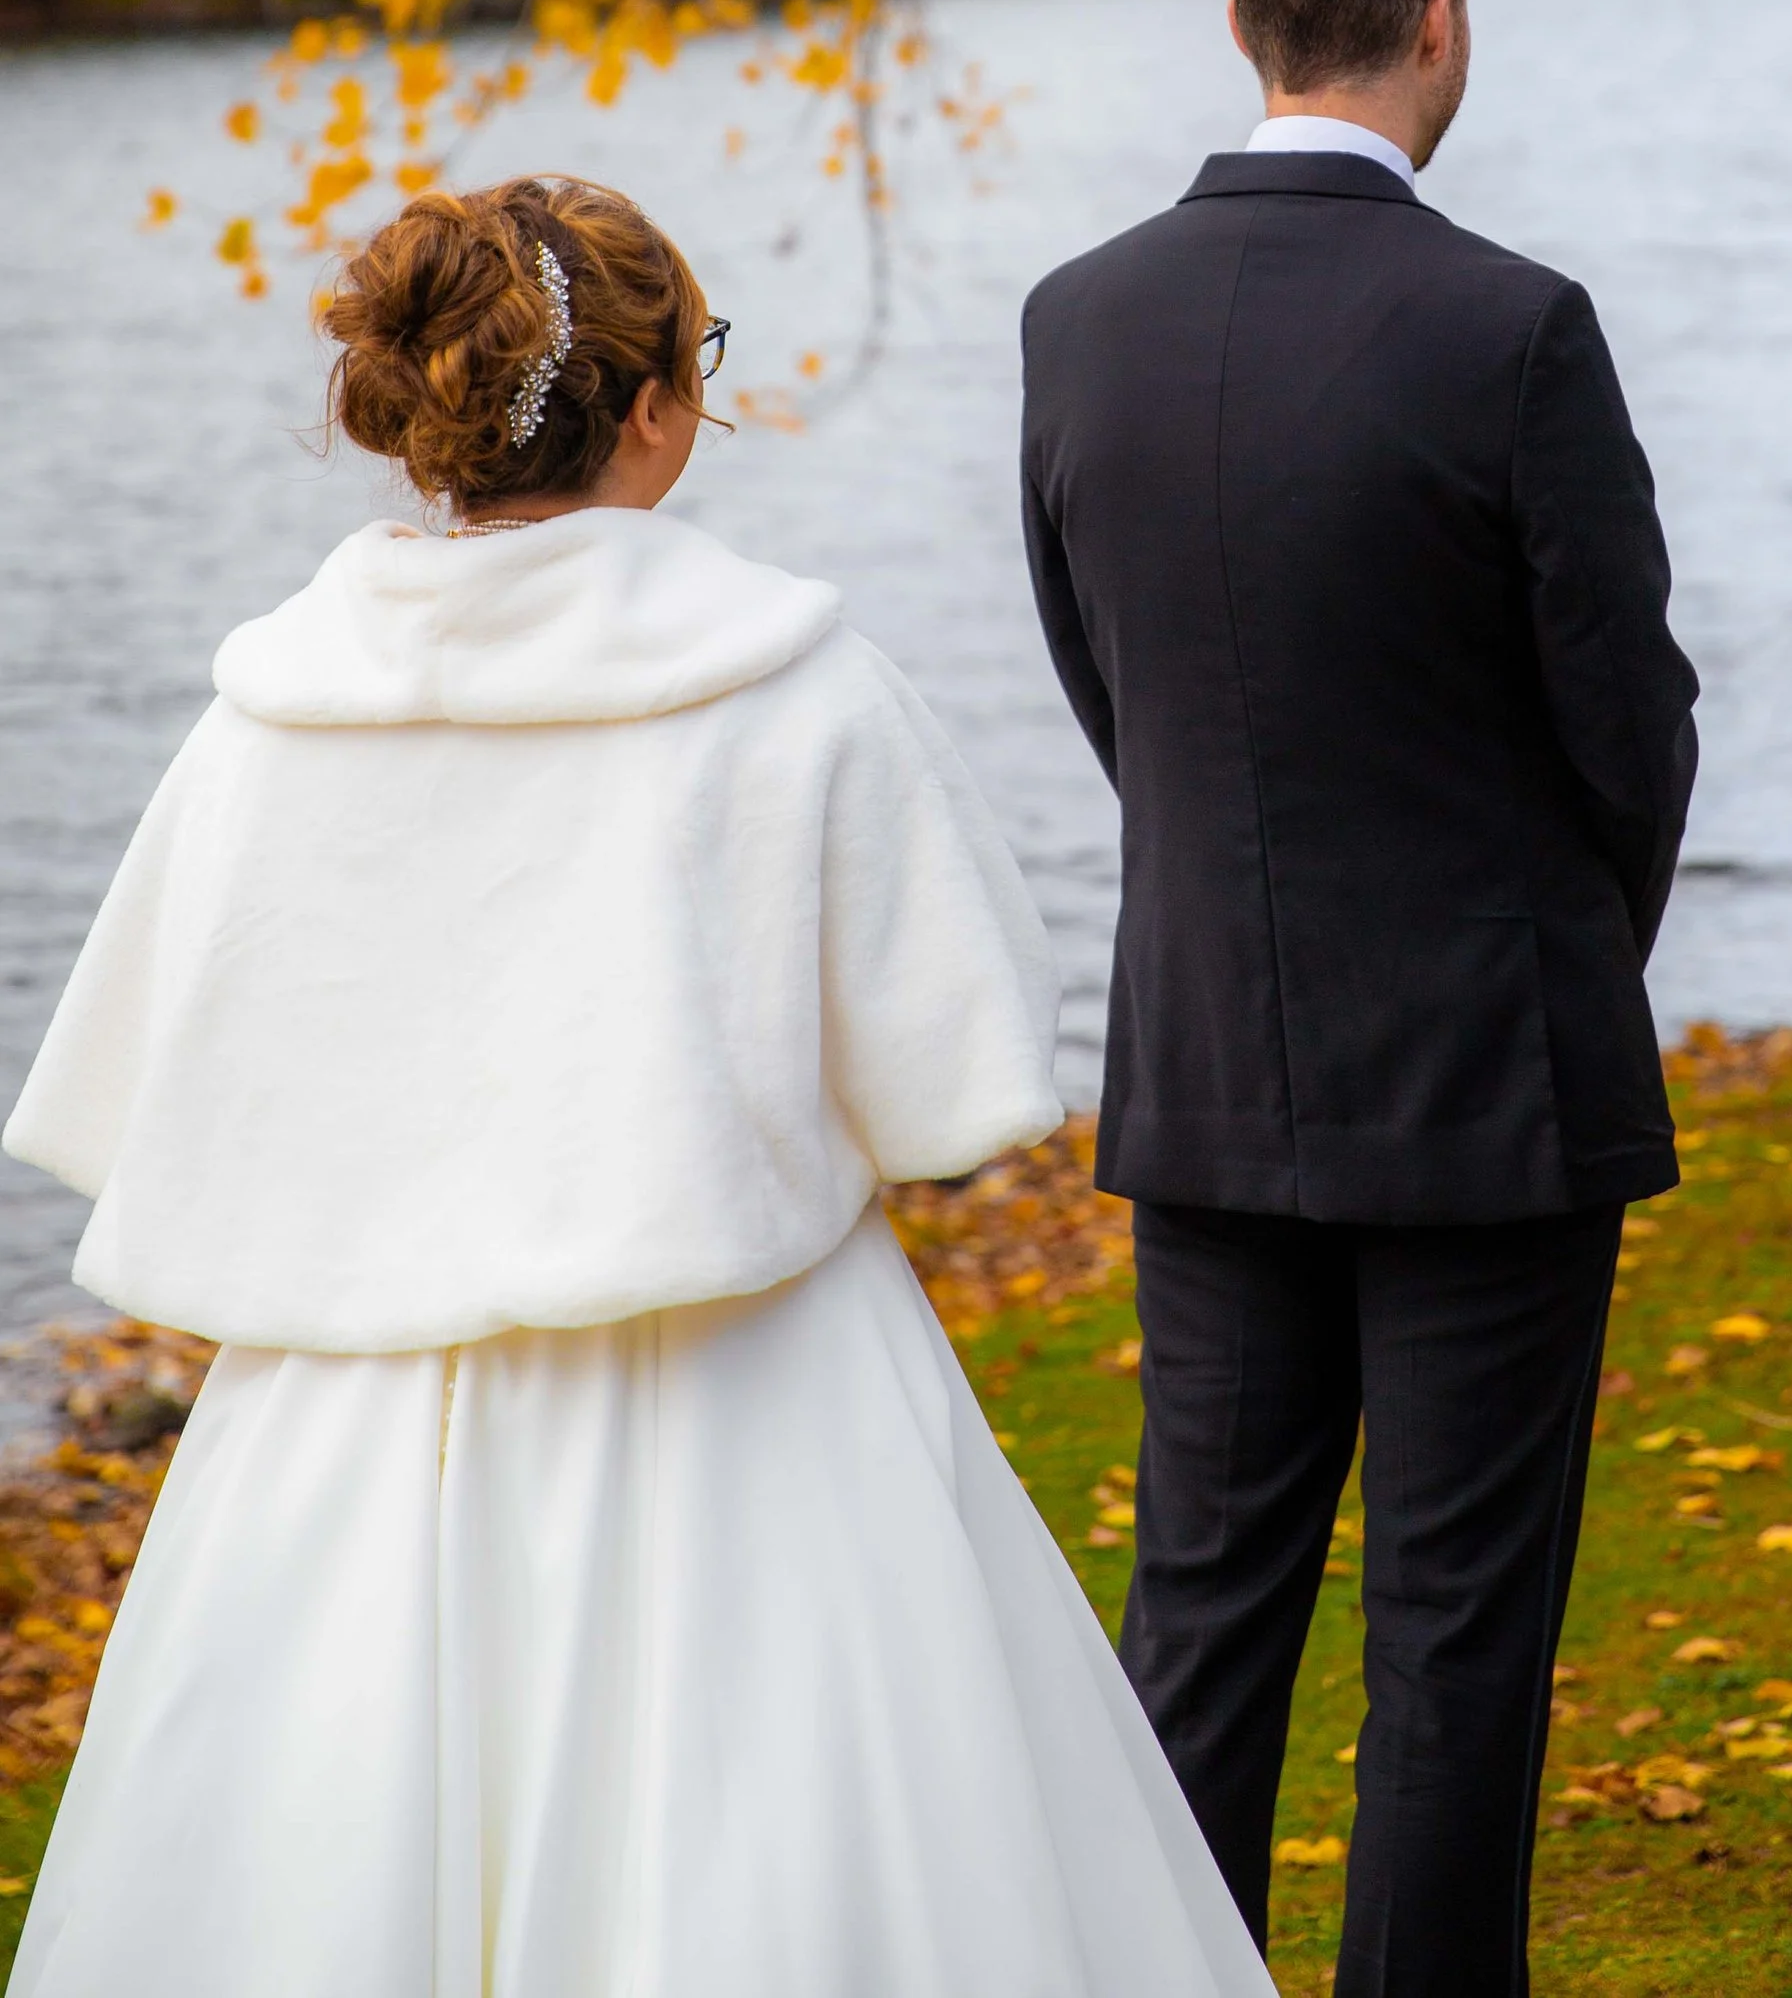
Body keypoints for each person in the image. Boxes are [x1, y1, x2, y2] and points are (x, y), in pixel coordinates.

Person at [5, 173, 1272, 1998]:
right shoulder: (793, 681)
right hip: (750, 1406)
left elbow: (138, 1089)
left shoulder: (272, 712)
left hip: (343, 1439)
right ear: (658, 402)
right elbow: (956, 1088)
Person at [1020, 0, 1701, 1998]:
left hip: (1213, 1067)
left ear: (1237, 27)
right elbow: (1628, 726)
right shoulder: (1512, 330)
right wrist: (1558, 952)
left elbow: (1107, 681)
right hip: (1487, 1091)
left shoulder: (1076, 320)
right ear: (1439, 17)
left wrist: (1246, 915)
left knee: (1201, 1624)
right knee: (1455, 1637)